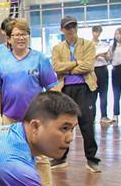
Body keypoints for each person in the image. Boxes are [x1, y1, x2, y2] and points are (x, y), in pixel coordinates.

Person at [0, 18, 58, 186]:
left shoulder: (40, 59)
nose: (21, 38)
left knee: (42, 156)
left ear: (29, 36)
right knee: (8, 156)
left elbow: (52, 87)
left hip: (36, 118)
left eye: (24, 34)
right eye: (16, 35)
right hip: (9, 117)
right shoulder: (0, 61)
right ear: (9, 39)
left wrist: (52, 113)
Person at [51, 16, 100, 172]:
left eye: (74, 26)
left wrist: (69, 69)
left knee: (87, 123)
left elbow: (88, 66)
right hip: (65, 90)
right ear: (62, 30)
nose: (71, 30)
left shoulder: (88, 44)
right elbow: (56, 67)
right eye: (68, 27)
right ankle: (60, 158)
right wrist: (76, 63)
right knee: (63, 124)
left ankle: (91, 159)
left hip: (85, 88)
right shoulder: (57, 48)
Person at [92, 25, 111, 124]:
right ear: (92, 33)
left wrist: (105, 56)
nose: (97, 34)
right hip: (93, 70)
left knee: (104, 93)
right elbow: (87, 60)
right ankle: (92, 116)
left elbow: (108, 59)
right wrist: (96, 55)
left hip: (103, 69)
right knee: (93, 94)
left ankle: (104, 116)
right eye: (95, 32)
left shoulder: (103, 44)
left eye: (99, 32)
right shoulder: (89, 45)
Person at [105, 27, 121, 124]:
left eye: (119, 33)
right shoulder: (112, 47)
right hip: (115, 70)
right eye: (116, 34)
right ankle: (115, 115)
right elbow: (109, 59)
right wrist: (104, 56)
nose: (117, 36)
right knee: (116, 93)